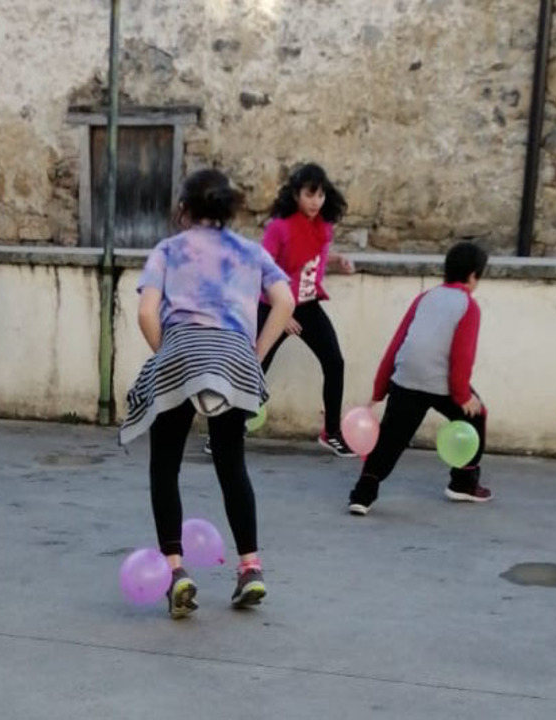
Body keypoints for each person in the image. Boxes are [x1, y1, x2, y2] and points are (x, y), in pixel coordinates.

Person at [119, 169, 295, 619]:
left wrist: (168, 356)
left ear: (184, 208)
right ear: (228, 209)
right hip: (234, 354)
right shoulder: (251, 251)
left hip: (182, 347)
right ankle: (250, 568)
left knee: (165, 464)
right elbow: (285, 302)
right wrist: (255, 354)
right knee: (231, 463)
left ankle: (176, 571)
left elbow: (145, 312)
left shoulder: (169, 250)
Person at [348, 242, 490, 516]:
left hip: (405, 380)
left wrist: (380, 389)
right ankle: (464, 483)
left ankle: (362, 496)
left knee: (389, 439)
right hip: (443, 383)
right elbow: (462, 356)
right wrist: (463, 397)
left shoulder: (425, 297)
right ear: (473, 276)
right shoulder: (469, 306)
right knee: (477, 415)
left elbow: (397, 343)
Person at [253, 163, 357, 457]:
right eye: (310, 195)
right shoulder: (279, 227)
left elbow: (311, 257)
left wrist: (337, 260)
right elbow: (261, 270)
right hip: (275, 306)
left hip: (308, 306)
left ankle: (332, 432)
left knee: (335, 363)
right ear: (296, 194)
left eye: (321, 195)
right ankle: (224, 432)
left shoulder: (323, 226)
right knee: (254, 367)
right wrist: (281, 314)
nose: (316, 201)